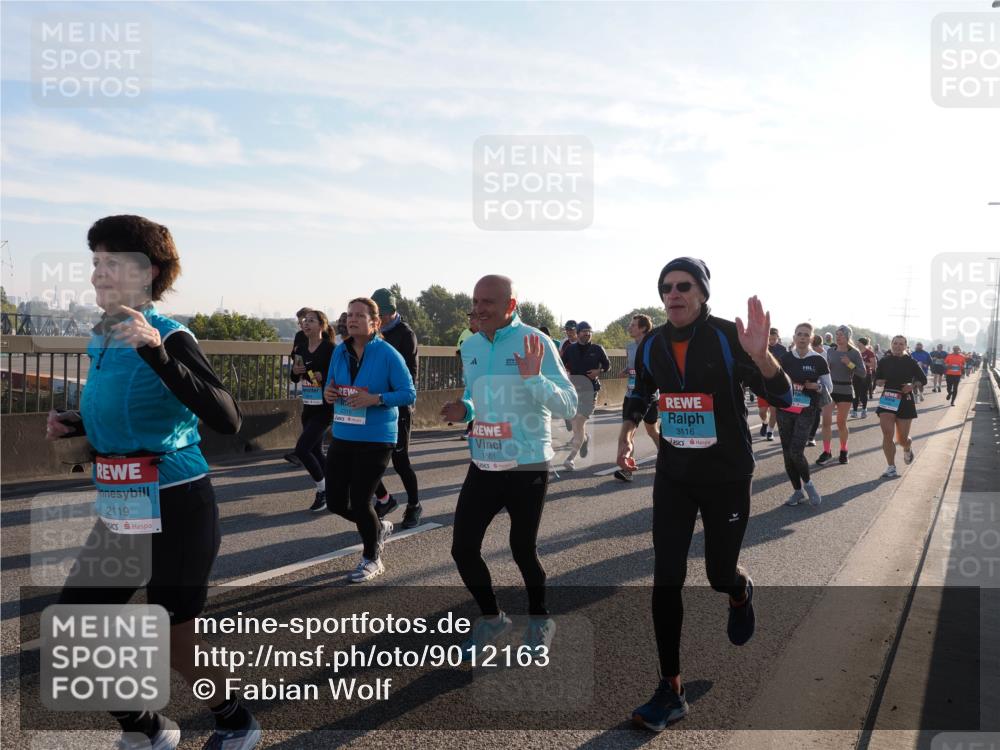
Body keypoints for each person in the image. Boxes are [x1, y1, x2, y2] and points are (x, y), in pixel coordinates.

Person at [47, 215, 260, 750]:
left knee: (172, 632)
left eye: (111, 263)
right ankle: (147, 726)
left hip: (178, 503)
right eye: (95, 262)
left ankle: (236, 720)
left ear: (149, 273)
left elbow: (227, 418)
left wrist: (157, 352)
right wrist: (79, 425)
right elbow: (126, 412)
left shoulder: (171, 335)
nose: (98, 274)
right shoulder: (103, 336)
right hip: (124, 502)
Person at [617, 257, 792, 731]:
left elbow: (782, 395)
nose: (673, 294)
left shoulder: (728, 337)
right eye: (666, 287)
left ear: (702, 293)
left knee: (717, 573)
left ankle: (738, 590)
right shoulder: (651, 344)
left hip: (726, 475)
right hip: (675, 475)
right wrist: (627, 433)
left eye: (683, 286)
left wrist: (762, 356)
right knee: (666, 578)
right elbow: (641, 392)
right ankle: (670, 689)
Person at [440, 275, 577, 659]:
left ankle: (540, 619)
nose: (479, 309)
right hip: (484, 459)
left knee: (522, 549)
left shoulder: (535, 341)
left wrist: (534, 378)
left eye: (488, 302)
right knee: (463, 549)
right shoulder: (470, 344)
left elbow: (569, 403)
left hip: (527, 462)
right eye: (475, 301)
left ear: (510, 305)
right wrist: (464, 409)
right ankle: (492, 618)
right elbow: (474, 395)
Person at [323, 297, 416, 583]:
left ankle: (371, 557)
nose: (351, 320)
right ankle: (377, 528)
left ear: (375, 323)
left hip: (376, 437)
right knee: (336, 502)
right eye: (349, 315)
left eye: (359, 316)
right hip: (343, 433)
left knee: (362, 500)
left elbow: (408, 393)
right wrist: (329, 393)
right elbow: (330, 385)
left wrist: (375, 399)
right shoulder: (340, 351)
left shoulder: (388, 353)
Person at [369, 288, 423, 529]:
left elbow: (409, 376)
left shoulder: (405, 335)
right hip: (373, 404)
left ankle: (414, 505)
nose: (378, 319)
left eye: (381, 314)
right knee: (365, 458)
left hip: (398, 406)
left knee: (400, 461)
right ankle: (385, 499)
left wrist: (383, 391)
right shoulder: (372, 334)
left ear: (391, 311)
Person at [777, 323, 830, 507]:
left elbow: (829, 387)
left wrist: (817, 386)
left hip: (807, 409)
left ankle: (809, 485)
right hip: (785, 409)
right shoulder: (785, 358)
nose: (802, 337)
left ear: (811, 338)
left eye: (806, 335)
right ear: (794, 337)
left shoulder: (818, 360)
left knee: (796, 451)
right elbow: (775, 381)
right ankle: (797, 491)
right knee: (787, 453)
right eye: (799, 334)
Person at [290, 308, 335, 512]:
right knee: (316, 451)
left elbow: (338, 374)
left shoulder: (330, 348)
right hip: (308, 405)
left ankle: (323, 490)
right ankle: (336, 487)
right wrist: (295, 371)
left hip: (325, 407)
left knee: (302, 449)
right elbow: (295, 377)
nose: (306, 323)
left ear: (321, 325)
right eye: (305, 321)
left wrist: (323, 375)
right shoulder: (300, 348)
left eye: (311, 320)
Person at [874, 335, 927, 478]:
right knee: (887, 434)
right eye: (895, 343)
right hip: (888, 398)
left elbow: (923, 379)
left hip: (905, 400)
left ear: (905, 346)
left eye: (901, 344)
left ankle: (907, 447)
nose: (897, 346)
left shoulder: (911, 362)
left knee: (902, 439)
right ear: (891, 344)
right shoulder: (884, 361)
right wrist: (879, 381)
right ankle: (891, 467)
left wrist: (912, 385)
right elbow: (877, 378)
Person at [614, 314, 659, 482]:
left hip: (649, 396)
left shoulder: (653, 346)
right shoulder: (630, 347)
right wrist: (626, 371)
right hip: (631, 394)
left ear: (643, 328)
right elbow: (632, 366)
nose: (629, 327)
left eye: (633, 325)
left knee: (652, 431)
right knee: (627, 433)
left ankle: (665, 457)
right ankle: (626, 469)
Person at [560, 320, 610, 470]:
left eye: (589, 331)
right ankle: (585, 438)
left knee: (579, 423)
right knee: (576, 427)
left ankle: (570, 459)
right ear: (578, 333)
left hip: (591, 390)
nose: (587, 334)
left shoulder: (597, 349)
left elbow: (607, 366)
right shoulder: (570, 349)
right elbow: (560, 365)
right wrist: (565, 376)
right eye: (584, 331)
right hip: (574, 391)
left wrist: (598, 371)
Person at [818, 325, 865, 465]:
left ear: (847, 336)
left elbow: (862, 373)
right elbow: (825, 370)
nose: (838, 337)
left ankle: (844, 450)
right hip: (830, 390)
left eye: (841, 335)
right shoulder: (830, 351)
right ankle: (827, 452)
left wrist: (849, 364)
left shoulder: (854, 353)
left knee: (841, 423)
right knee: (826, 422)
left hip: (845, 390)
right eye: (837, 334)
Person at [754, 328, 787, 441]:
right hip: (762, 384)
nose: (771, 341)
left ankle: (770, 431)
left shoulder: (783, 350)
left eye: (774, 339)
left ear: (778, 337)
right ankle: (765, 422)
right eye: (769, 339)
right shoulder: (761, 347)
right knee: (762, 412)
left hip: (777, 384)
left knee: (774, 411)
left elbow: (785, 367)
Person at [456, 312, 479, 439]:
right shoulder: (465, 334)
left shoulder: (488, 333)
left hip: (485, 372)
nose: (471, 320)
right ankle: (470, 429)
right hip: (471, 372)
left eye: (474, 318)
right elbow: (459, 352)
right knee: (472, 399)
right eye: (470, 318)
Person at [807, 334, 826, 446]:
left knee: (816, 412)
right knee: (803, 412)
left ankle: (811, 436)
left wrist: (819, 385)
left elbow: (828, 373)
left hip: (817, 388)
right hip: (802, 387)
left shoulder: (824, 354)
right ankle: (806, 435)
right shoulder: (802, 353)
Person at [859, 337, 878, 402]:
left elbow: (874, 364)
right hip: (857, 374)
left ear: (863, 343)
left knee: (864, 390)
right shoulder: (856, 351)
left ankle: (868, 396)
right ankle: (858, 401)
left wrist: (864, 363)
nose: (857, 344)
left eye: (859, 342)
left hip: (867, 374)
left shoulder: (870, 352)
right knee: (858, 391)